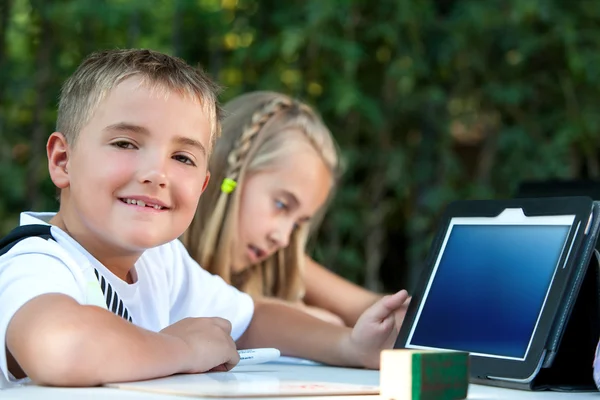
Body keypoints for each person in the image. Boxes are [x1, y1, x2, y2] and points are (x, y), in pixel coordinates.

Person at [0, 49, 409, 389]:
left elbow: (251, 320)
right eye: (125, 143)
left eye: (182, 157)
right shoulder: (36, 261)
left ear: (202, 185)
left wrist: (349, 346)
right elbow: (59, 345)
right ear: (63, 161)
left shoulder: (162, 260)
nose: (156, 174)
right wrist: (183, 348)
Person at [183, 91, 399, 327]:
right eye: (281, 205)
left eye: (297, 224)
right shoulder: (156, 255)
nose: (283, 238)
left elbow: (382, 311)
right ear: (230, 174)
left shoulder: (279, 260)